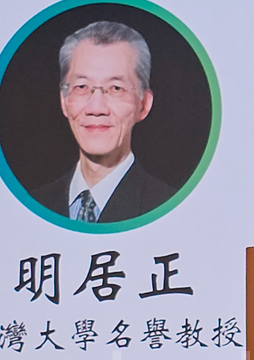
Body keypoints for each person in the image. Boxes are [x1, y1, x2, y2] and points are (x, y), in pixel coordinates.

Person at [32, 21, 175, 223]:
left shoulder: (170, 210)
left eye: (116, 88)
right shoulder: (32, 206)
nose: (96, 108)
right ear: (64, 101)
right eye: (81, 87)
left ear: (144, 104)